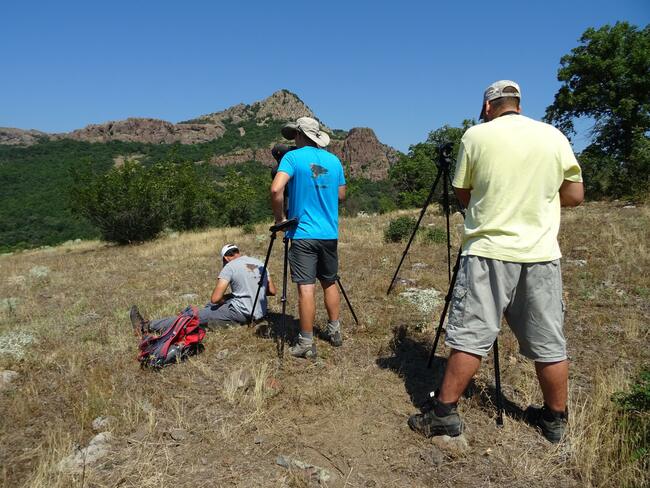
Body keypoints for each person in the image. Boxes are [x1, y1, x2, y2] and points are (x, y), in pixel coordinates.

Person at [408, 80, 584, 443]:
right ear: (518, 104)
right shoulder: (554, 136)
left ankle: (443, 413)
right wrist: (537, 200)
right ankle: (555, 421)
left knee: (471, 335)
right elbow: (575, 195)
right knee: (549, 341)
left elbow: (463, 192)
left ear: (487, 107)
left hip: (488, 251)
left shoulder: (476, 136)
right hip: (540, 254)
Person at [270, 116, 347, 359]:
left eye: (294, 135)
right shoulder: (334, 161)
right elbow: (341, 195)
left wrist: (280, 219)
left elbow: (275, 189)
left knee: (306, 288)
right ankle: (334, 331)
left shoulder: (292, 158)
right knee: (329, 281)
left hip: (303, 233)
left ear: (301, 135)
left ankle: (306, 343)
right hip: (329, 233)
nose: (293, 139)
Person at [130, 244, 276, 334]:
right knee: (213, 307)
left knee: (193, 317)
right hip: (260, 312)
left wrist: (226, 298)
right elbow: (272, 291)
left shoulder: (230, 267)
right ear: (237, 252)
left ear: (225, 258)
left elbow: (215, 298)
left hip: (241, 312)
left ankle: (146, 327)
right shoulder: (258, 262)